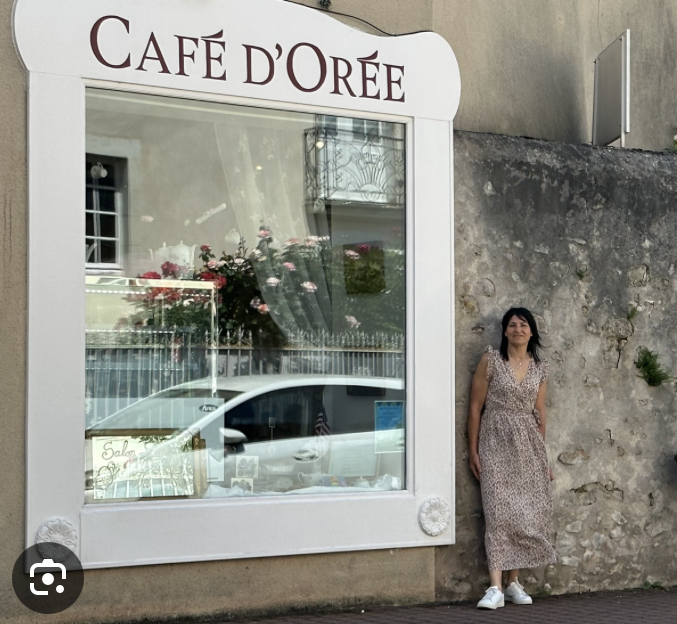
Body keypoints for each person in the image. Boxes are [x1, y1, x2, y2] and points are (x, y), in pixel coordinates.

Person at [467, 307, 557, 610]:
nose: (518, 329)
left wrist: (541, 458)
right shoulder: (491, 360)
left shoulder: (540, 368)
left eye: (523, 325)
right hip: (494, 440)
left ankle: (513, 583)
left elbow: (540, 413)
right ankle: (494, 587)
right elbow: (475, 407)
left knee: (522, 513)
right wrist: (473, 450)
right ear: (505, 331)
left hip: (528, 446)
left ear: (531, 332)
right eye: (512, 325)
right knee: (497, 513)